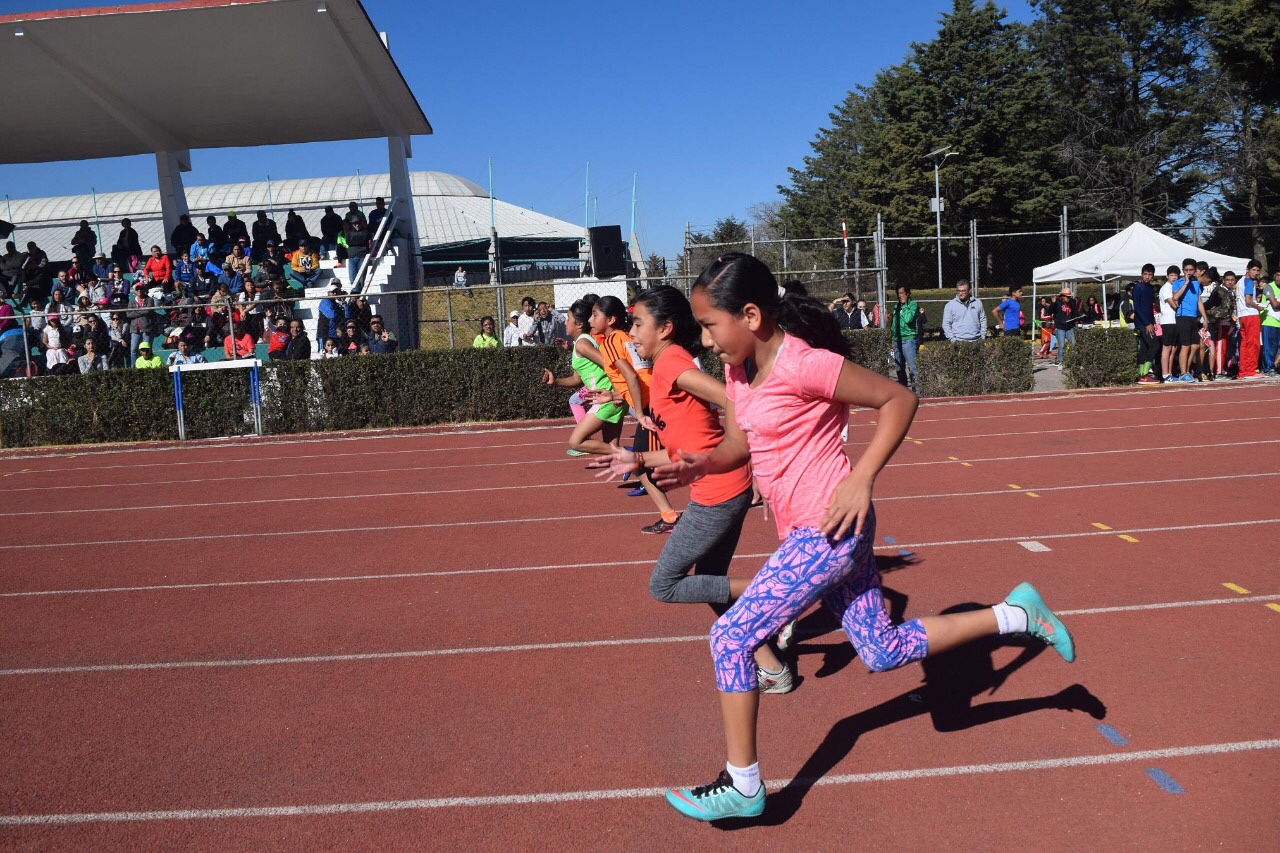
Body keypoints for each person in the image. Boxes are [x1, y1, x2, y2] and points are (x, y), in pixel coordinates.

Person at [651, 254, 1075, 822]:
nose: (704, 340)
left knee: (730, 636)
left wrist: (862, 477)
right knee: (881, 650)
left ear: (750, 315)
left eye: (709, 325)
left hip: (827, 529)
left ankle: (743, 784)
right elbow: (739, 445)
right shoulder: (738, 372)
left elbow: (900, 399)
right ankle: (1017, 615)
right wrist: (699, 464)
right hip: (820, 532)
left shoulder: (806, 364)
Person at [589, 285, 794, 692]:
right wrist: (639, 458)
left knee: (665, 584)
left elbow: (736, 399)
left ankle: (778, 597)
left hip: (719, 491)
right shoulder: (666, 364)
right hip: (723, 486)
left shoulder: (671, 364)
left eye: (638, 324)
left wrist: (752, 458)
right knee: (711, 582)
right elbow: (691, 444)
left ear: (665, 328)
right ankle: (773, 668)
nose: (632, 334)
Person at [588, 294, 681, 534]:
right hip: (653, 399)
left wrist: (639, 413)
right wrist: (614, 396)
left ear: (610, 319)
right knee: (646, 462)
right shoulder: (625, 338)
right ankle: (670, 515)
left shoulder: (610, 342)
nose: (590, 320)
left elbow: (631, 376)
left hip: (651, 405)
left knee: (651, 461)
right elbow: (639, 376)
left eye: (595, 315)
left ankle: (673, 516)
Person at [541, 298, 626, 456]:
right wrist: (555, 381)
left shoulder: (582, 344)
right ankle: (635, 459)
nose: (565, 322)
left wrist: (616, 392)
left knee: (576, 442)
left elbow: (608, 364)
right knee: (613, 453)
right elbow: (576, 379)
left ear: (579, 324)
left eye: (568, 319)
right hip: (609, 397)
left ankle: (634, 454)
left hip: (607, 398)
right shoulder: (580, 344)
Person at [1171, 258, 1205, 382]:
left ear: (1195, 270)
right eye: (1186, 270)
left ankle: (1187, 369)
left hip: (1193, 317)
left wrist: (1205, 317)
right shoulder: (1178, 282)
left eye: (1191, 270)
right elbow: (1175, 297)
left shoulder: (1196, 283)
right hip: (1183, 316)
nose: (1189, 272)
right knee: (1185, 345)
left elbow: (1199, 301)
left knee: (1195, 345)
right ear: (1183, 270)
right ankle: (1183, 372)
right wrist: (1186, 283)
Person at [1131, 264, 1161, 384]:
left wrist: (1153, 322)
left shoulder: (1151, 288)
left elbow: (1149, 308)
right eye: (1145, 274)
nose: (1147, 276)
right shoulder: (1138, 287)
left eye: (1149, 274)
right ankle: (1144, 374)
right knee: (1155, 345)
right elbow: (1137, 308)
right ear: (1141, 274)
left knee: (1144, 347)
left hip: (1149, 321)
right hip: (1142, 322)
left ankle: (1141, 375)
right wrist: (1147, 323)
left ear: (1153, 276)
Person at [889, 285, 922, 390]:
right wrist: (892, 338)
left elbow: (908, 319)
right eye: (898, 294)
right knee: (899, 368)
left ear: (907, 294)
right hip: (897, 341)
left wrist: (904, 305)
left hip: (908, 340)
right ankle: (903, 392)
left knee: (913, 368)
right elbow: (893, 324)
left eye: (902, 293)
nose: (900, 296)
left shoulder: (913, 305)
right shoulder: (896, 306)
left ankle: (916, 392)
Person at [1236, 260, 1262, 379]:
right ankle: (1251, 370)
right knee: (1253, 343)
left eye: (1257, 270)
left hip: (1242, 315)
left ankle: (1243, 370)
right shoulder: (1249, 282)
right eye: (1253, 270)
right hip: (1251, 314)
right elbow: (1248, 300)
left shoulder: (1240, 281)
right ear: (1248, 269)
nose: (1255, 272)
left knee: (1244, 343)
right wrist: (1258, 306)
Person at [1158, 266, 1179, 381]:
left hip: (1175, 321)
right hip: (1168, 321)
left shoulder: (1175, 287)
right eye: (1171, 275)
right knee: (1167, 347)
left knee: (1173, 348)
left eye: (1176, 275)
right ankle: (1165, 374)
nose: (1174, 277)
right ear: (1167, 276)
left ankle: (1170, 373)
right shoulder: (1166, 288)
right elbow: (1173, 304)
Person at [1052, 286, 1080, 368]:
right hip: (1060, 328)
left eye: (1069, 297)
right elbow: (1050, 311)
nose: (1069, 298)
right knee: (1062, 345)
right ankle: (1061, 362)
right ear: (1062, 296)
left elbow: (1074, 312)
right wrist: (1053, 303)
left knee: (1073, 344)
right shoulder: (1057, 303)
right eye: (1067, 297)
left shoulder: (1071, 302)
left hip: (1069, 327)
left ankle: (1075, 362)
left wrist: (1077, 317)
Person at [1262, 267, 1280, 376]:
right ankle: (1268, 368)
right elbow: (1275, 304)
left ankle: (1275, 365)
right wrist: (1276, 302)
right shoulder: (1269, 287)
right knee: (1270, 347)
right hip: (1269, 321)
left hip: (1278, 321)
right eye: (1277, 275)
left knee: (1276, 347)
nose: (1279, 278)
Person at [344, 218, 371, 290]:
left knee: (361, 279)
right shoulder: (349, 233)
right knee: (352, 279)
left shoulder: (366, 232)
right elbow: (348, 242)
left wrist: (354, 241)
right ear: (352, 224)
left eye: (358, 223)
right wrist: (360, 241)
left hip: (362, 256)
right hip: (352, 257)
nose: (357, 225)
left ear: (361, 223)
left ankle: (359, 292)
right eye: (355, 223)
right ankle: (356, 292)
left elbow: (364, 240)